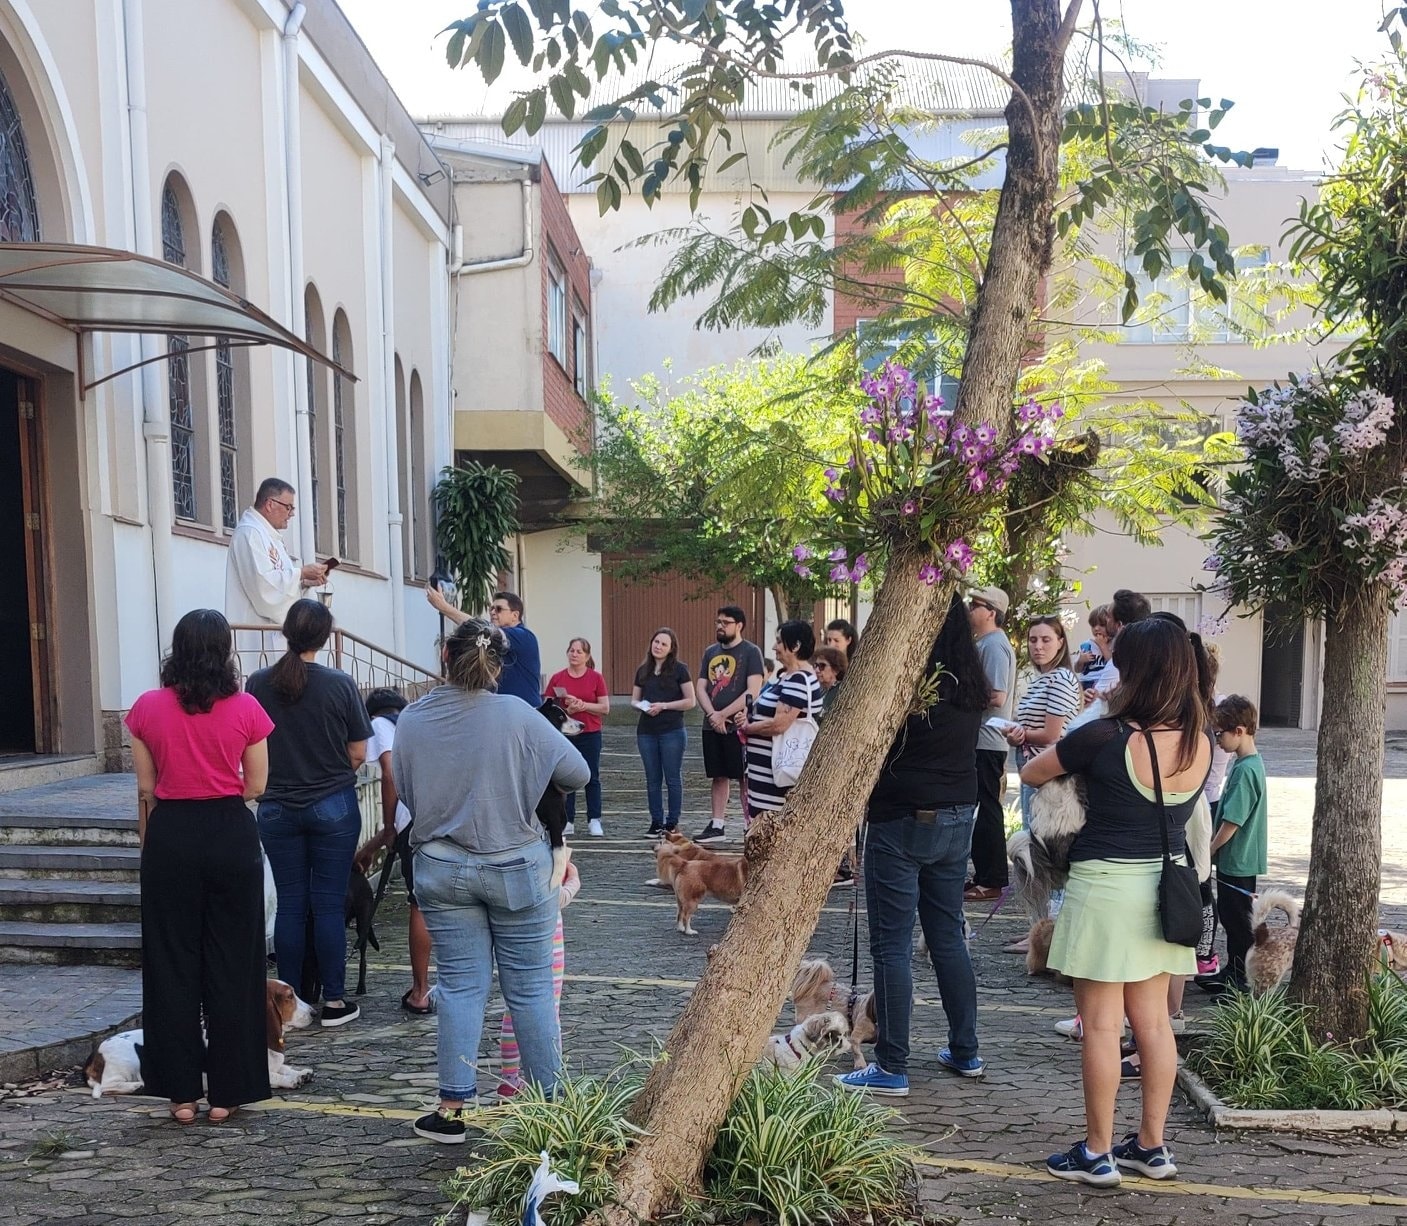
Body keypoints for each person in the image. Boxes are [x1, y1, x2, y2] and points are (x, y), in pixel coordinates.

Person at [1020, 617, 1213, 1187]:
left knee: (1102, 1027)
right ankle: (1152, 1147)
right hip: (1166, 884)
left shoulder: (1104, 736)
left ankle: (1097, 1153)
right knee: (1155, 1024)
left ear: (1133, 668)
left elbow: (1034, 772)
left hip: (1105, 886)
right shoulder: (1199, 739)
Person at [391, 618, 588, 1142]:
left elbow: (406, 791)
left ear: (444, 658)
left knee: (459, 987)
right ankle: (551, 1113)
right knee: (530, 992)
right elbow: (578, 774)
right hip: (518, 867)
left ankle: (452, 1108)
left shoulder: (411, 720)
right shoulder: (517, 715)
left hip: (441, 867)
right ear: (498, 667)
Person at [834, 593, 989, 1096]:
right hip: (957, 816)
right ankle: (965, 1051)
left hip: (900, 819)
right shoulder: (968, 681)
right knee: (947, 937)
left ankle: (891, 1064)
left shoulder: (906, 683)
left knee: (892, 946)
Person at [125, 609, 275, 1124]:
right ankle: (229, 1091)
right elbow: (256, 785)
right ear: (225, 650)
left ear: (177, 649)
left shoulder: (146, 708)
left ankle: (181, 1093)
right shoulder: (248, 708)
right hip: (229, 832)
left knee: (171, 963)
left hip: (171, 836)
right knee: (235, 961)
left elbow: (146, 787)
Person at [246, 599, 371, 1028]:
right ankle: (334, 1001)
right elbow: (358, 751)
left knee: (290, 904)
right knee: (329, 904)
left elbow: (249, 746)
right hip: (332, 803)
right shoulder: (339, 683)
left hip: (277, 806)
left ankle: (289, 1001)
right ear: (324, 635)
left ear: (285, 632)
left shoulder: (258, 683)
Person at [356, 688, 432, 1015]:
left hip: (415, 822)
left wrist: (387, 828)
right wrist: (373, 846)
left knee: (420, 902)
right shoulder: (420, 722)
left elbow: (388, 773)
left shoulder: (382, 725)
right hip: (446, 811)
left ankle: (420, 991)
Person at [498, 860, 580, 1098]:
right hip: (545, 934)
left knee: (514, 1008)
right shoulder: (542, 846)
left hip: (507, 925)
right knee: (548, 1008)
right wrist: (574, 881)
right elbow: (553, 900)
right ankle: (554, 1083)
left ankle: (509, 1080)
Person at [1205, 695, 1268, 994]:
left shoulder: (1245, 770)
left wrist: (1211, 848)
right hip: (1239, 858)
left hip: (1237, 858)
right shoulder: (1248, 764)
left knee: (1237, 918)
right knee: (1234, 916)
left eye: (1220, 734)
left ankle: (1241, 976)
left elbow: (1233, 820)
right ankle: (1233, 968)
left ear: (1239, 731)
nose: (1218, 741)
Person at [1003, 616, 1082, 828]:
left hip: (1050, 776)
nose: (1038, 646)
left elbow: (1052, 734)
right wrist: (1015, 736)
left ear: (1060, 642)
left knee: (1040, 839)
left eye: (1046, 640)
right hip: (1034, 770)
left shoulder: (1061, 679)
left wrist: (1019, 733)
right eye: (1033, 639)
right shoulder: (1043, 678)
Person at [694, 605, 764, 844]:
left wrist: (724, 714)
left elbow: (753, 689)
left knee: (744, 776)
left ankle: (749, 824)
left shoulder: (751, 652)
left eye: (725, 622)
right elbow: (701, 686)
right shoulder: (710, 652)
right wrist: (713, 714)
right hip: (712, 725)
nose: (720, 626)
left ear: (739, 625)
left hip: (738, 725)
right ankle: (717, 824)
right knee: (718, 775)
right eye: (718, 621)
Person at [740, 620, 822, 822]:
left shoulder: (799, 680)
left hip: (776, 776)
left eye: (779, 642)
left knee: (768, 827)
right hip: (765, 773)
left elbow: (779, 724)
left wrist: (748, 728)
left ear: (795, 646)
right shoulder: (787, 677)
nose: (773, 647)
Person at [966, 586, 1016, 902]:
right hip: (980, 740)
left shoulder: (995, 646)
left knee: (987, 810)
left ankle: (993, 879)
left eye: (976, 604)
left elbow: (997, 696)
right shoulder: (983, 643)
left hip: (988, 740)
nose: (970, 609)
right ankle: (983, 874)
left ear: (991, 612)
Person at [225, 478, 326, 625]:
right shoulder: (250, 533)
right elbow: (263, 588)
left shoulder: (270, 537)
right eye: (289, 507)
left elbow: (276, 583)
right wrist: (301, 573)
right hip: (254, 633)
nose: (291, 514)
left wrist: (303, 583)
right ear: (270, 504)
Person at [424, 586, 542, 707]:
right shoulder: (498, 639)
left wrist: (444, 607)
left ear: (515, 615)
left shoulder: (523, 636)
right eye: (491, 608)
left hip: (526, 709)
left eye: (499, 609)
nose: (492, 612)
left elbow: (481, 629)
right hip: (504, 709)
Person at [632, 628, 695, 837]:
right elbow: (634, 699)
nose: (658, 646)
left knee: (672, 777)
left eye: (663, 644)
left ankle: (672, 822)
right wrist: (644, 706)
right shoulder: (643, 670)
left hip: (672, 731)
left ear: (671, 649)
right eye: (656, 642)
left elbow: (690, 701)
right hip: (646, 731)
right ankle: (656, 821)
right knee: (652, 778)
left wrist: (664, 706)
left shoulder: (680, 670)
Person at [545, 639, 610, 836]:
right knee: (566, 775)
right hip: (565, 734)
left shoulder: (596, 678)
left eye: (579, 651)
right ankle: (568, 819)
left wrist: (584, 706)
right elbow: (547, 704)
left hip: (590, 733)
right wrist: (566, 708)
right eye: (572, 651)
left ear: (587, 656)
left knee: (592, 776)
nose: (574, 654)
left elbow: (605, 708)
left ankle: (594, 819)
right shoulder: (558, 678)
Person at [812, 646, 847, 716]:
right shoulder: (816, 689)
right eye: (816, 665)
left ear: (836, 669)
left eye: (822, 666)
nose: (817, 670)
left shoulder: (840, 691)